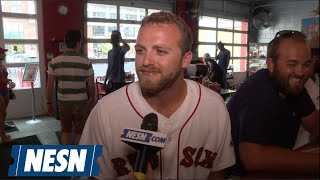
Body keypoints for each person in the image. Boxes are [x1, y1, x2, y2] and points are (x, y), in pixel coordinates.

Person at [80, 11, 235, 179]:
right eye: (140, 50)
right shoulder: (104, 112)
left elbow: (218, 171)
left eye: (160, 51)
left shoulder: (214, 107)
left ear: (186, 59)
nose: (146, 61)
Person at [227, 30, 319, 178]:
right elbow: (253, 158)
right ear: (271, 64)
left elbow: (315, 124)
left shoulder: (292, 86)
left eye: (306, 64)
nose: (301, 72)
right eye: (292, 63)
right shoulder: (258, 90)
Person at [46, 29, 96, 145]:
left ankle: (66, 159)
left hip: (63, 102)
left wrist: (49, 103)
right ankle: (79, 159)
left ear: (65, 41)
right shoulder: (86, 61)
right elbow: (91, 85)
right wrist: (92, 99)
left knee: (66, 132)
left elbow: (50, 86)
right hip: (81, 102)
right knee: (79, 132)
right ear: (79, 42)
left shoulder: (54, 61)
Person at [103, 30, 130, 94]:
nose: (112, 38)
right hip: (111, 81)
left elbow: (128, 47)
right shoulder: (110, 52)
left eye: (114, 37)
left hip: (120, 81)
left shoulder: (121, 50)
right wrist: (105, 81)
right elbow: (109, 68)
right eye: (111, 36)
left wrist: (121, 39)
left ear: (118, 39)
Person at [0, 47, 15, 143]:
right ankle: (3, 137)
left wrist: (9, 87)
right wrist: (7, 81)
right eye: (3, 53)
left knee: (3, 114)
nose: (5, 55)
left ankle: (2, 130)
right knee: (2, 113)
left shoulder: (1, 64)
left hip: (5, 90)